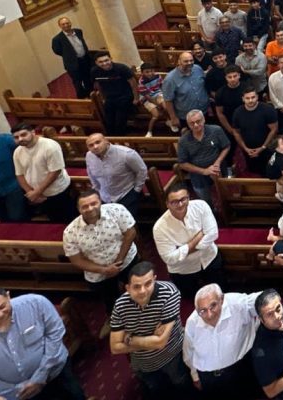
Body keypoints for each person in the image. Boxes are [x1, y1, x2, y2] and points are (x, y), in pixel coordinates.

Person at [0, 287, 85, 400]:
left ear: (8, 296)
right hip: (21, 394)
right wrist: (19, 388)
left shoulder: (36, 303)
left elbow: (55, 335)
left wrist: (40, 376)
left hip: (56, 373)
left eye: (2, 307)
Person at [110, 261, 192, 395]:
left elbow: (160, 343)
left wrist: (129, 338)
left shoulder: (169, 293)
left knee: (182, 385)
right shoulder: (120, 305)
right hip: (142, 364)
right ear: (128, 288)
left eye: (148, 284)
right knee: (156, 390)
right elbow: (115, 347)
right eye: (136, 287)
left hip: (172, 356)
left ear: (154, 279)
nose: (143, 291)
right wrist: (152, 339)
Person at [63, 189, 138, 331]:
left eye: (94, 203)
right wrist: (104, 270)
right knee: (109, 298)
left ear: (100, 202)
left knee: (138, 287)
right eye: (85, 206)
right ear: (78, 209)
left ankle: (143, 311)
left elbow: (130, 233)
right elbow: (76, 260)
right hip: (98, 271)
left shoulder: (117, 210)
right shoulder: (70, 232)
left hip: (126, 259)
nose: (90, 208)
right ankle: (114, 319)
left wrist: (119, 261)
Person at [183, 284, 261, 399]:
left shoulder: (237, 304)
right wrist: (195, 376)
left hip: (239, 370)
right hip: (208, 378)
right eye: (203, 311)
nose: (209, 315)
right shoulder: (192, 322)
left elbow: (266, 297)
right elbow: (188, 352)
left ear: (222, 299)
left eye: (213, 306)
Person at [152, 181, 223, 297]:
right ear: (167, 204)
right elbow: (170, 258)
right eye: (174, 202)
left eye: (183, 199)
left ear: (188, 198)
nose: (180, 204)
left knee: (220, 293)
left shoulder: (201, 206)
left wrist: (182, 249)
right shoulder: (159, 228)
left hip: (209, 258)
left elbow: (213, 234)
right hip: (183, 271)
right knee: (191, 300)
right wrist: (198, 238)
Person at [12, 122, 77, 222]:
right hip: (39, 195)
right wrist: (30, 192)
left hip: (58, 192)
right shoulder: (17, 152)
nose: (20, 139)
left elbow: (55, 171)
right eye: (16, 137)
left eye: (23, 134)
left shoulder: (50, 146)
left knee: (69, 219)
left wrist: (37, 192)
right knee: (54, 220)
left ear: (33, 132)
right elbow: (19, 174)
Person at [177, 109, 231, 206]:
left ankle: (227, 208)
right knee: (205, 202)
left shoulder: (216, 130)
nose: (196, 125)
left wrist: (217, 163)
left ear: (204, 120)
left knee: (225, 195)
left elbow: (226, 146)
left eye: (198, 121)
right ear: (188, 125)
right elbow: (182, 163)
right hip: (198, 175)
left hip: (218, 169)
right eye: (192, 123)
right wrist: (204, 171)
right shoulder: (183, 141)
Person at [85, 132, 148, 216]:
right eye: (91, 145)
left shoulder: (127, 154)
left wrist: (136, 190)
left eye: (98, 142)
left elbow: (142, 171)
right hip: (104, 198)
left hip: (126, 195)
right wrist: (97, 190)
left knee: (128, 226)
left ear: (106, 141)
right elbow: (90, 173)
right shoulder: (89, 156)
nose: (95, 147)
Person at [90, 51, 136, 135]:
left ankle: (120, 140)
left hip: (124, 97)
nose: (104, 63)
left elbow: (133, 82)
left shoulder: (121, 68)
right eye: (100, 62)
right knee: (108, 122)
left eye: (106, 60)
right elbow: (97, 84)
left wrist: (136, 98)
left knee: (120, 122)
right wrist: (103, 98)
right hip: (109, 98)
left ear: (111, 59)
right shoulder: (94, 71)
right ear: (96, 63)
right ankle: (112, 140)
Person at [163, 51, 209, 131]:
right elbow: (168, 100)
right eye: (186, 61)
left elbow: (204, 86)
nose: (189, 63)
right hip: (187, 117)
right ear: (179, 62)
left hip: (204, 112)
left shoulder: (198, 69)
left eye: (191, 60)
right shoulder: (170, 79)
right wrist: (173, 118)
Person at [51, 16, 93, 98]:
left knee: (88, 78)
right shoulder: (57, 39)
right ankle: (83, 99)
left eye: (67, 23)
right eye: (63, 24)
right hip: (72, 63)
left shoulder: (78, 31)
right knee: (77, 82)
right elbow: (57, 51)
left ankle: (92, 95)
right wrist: (69, 55)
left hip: (85, 60)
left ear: (70, 23)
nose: (66, 25)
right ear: (60, 26)